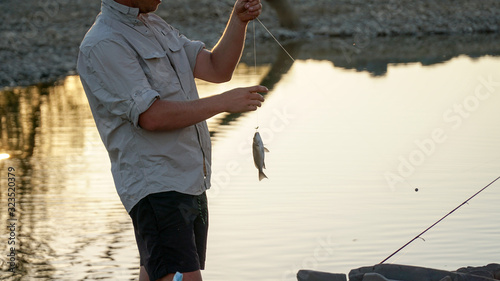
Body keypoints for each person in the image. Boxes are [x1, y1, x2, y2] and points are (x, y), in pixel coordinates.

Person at [76, 0, 266, 280]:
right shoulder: (103, 44)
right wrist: (224, 102)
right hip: (157, 187)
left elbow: (217, 68)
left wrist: (238, 22)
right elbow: (151, 116)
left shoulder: (155, 25)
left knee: (157, 272)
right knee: (181, 275)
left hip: (189, 180)